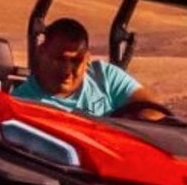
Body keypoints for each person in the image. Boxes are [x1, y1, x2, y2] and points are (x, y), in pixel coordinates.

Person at [12, 17, 169, 120]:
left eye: (76, 61)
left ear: (87, 60)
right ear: (41, 53)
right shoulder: (22, 102)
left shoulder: (105, 76)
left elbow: (152, 110)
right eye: (59, 59)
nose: (66, 70)